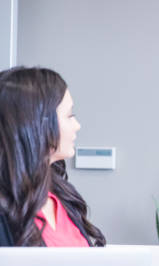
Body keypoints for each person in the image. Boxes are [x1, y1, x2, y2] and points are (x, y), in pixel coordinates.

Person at [0, 66, 106, 247]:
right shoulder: (4, 214)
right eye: (69, 115)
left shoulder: (62, 196)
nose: (77, 125)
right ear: (36, 125)